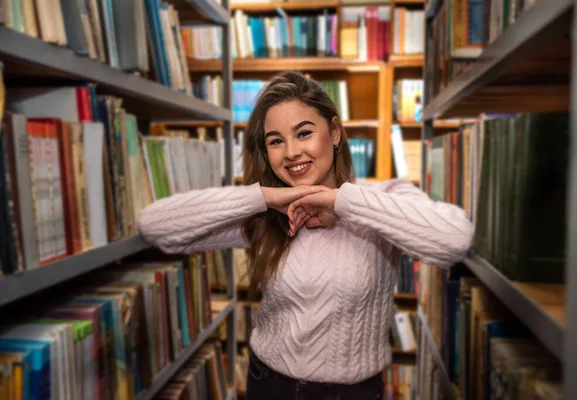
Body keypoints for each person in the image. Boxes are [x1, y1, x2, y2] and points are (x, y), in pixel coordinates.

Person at [138, 71, 474, 400]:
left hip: (350, 393)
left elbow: (455, 240)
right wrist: (264, 197)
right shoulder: (267, 215)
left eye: (303, 133)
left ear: (335, 132)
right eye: (276, 141)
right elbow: (156, 227)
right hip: (266, 383)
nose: (291, 153)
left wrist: (340, 201)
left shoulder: (380, 199)